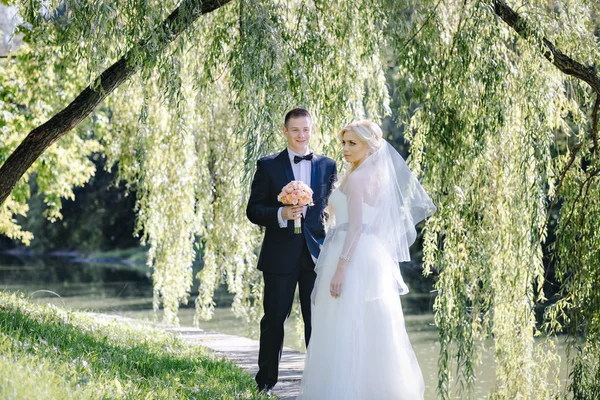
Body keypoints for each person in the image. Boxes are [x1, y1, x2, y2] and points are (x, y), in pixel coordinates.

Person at [297, 120, 436, 400]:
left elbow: (357, 226)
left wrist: (340, 268)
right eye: (344, 143)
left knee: (346, 322)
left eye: (353, 143)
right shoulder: (366, 174)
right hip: (366, 252)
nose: (346, 149)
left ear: (368, 146)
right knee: (368, 323)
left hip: (351, 255)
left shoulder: (359, 178)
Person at [246, 108, 337, 395]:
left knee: (317, 322)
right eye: (295, 130)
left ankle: (318, 383)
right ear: (285, 131)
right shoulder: (268, 165)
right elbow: (253, 210)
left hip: (316, 255)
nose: (301, 135)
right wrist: (282, 213)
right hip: (278, 256)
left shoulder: (327, 165)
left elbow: (331, 209)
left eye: (306, 130)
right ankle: (265, 383)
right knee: (273, 319)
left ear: (312, 130)